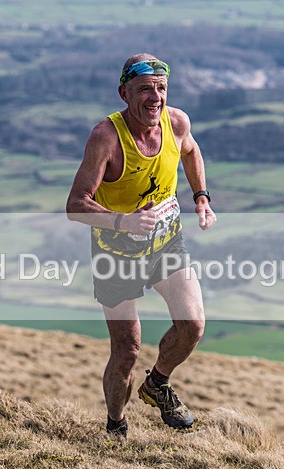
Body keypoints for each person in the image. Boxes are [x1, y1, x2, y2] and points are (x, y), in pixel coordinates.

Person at [66, 53, 216, 440]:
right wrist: (123, 221)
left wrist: (201, 196)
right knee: (127, 349)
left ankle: (158, 384)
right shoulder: (106, 137)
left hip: (166, 244)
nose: (155, 98)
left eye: (161, 88)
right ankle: (116, 424)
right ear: (124, 93)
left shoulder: (176, 121)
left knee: (193, 325)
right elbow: (76, 204)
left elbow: (191, 151)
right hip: (116, 254)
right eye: (145, 89)